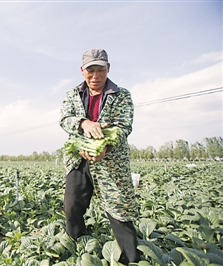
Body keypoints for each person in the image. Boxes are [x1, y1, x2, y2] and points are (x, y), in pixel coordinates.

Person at [59, 48, 140, 264]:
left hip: (111, 161)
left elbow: (124, 127)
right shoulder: (73, 94)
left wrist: (106, 147)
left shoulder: (121, 95)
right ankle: (79, 245)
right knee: (72, 205)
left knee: (119, 208)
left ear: (108, 69)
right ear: (82, 71)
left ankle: (131, 257)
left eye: (101, 70)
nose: (96, 76)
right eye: (91, 70)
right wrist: (83, 123)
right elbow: (64, 119)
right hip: (79, 158)